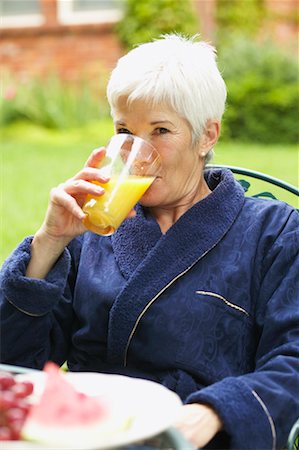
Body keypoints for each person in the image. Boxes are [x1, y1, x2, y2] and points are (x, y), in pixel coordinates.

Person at [0, 34, 298, 449]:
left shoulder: (276, 233)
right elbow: (14, 366)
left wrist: (215, 411)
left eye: (161, 130)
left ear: (207, 135)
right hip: (93, 436)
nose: (139, 153)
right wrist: (49, 242)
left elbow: (294, 359)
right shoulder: (92, 229)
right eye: (125, 131)